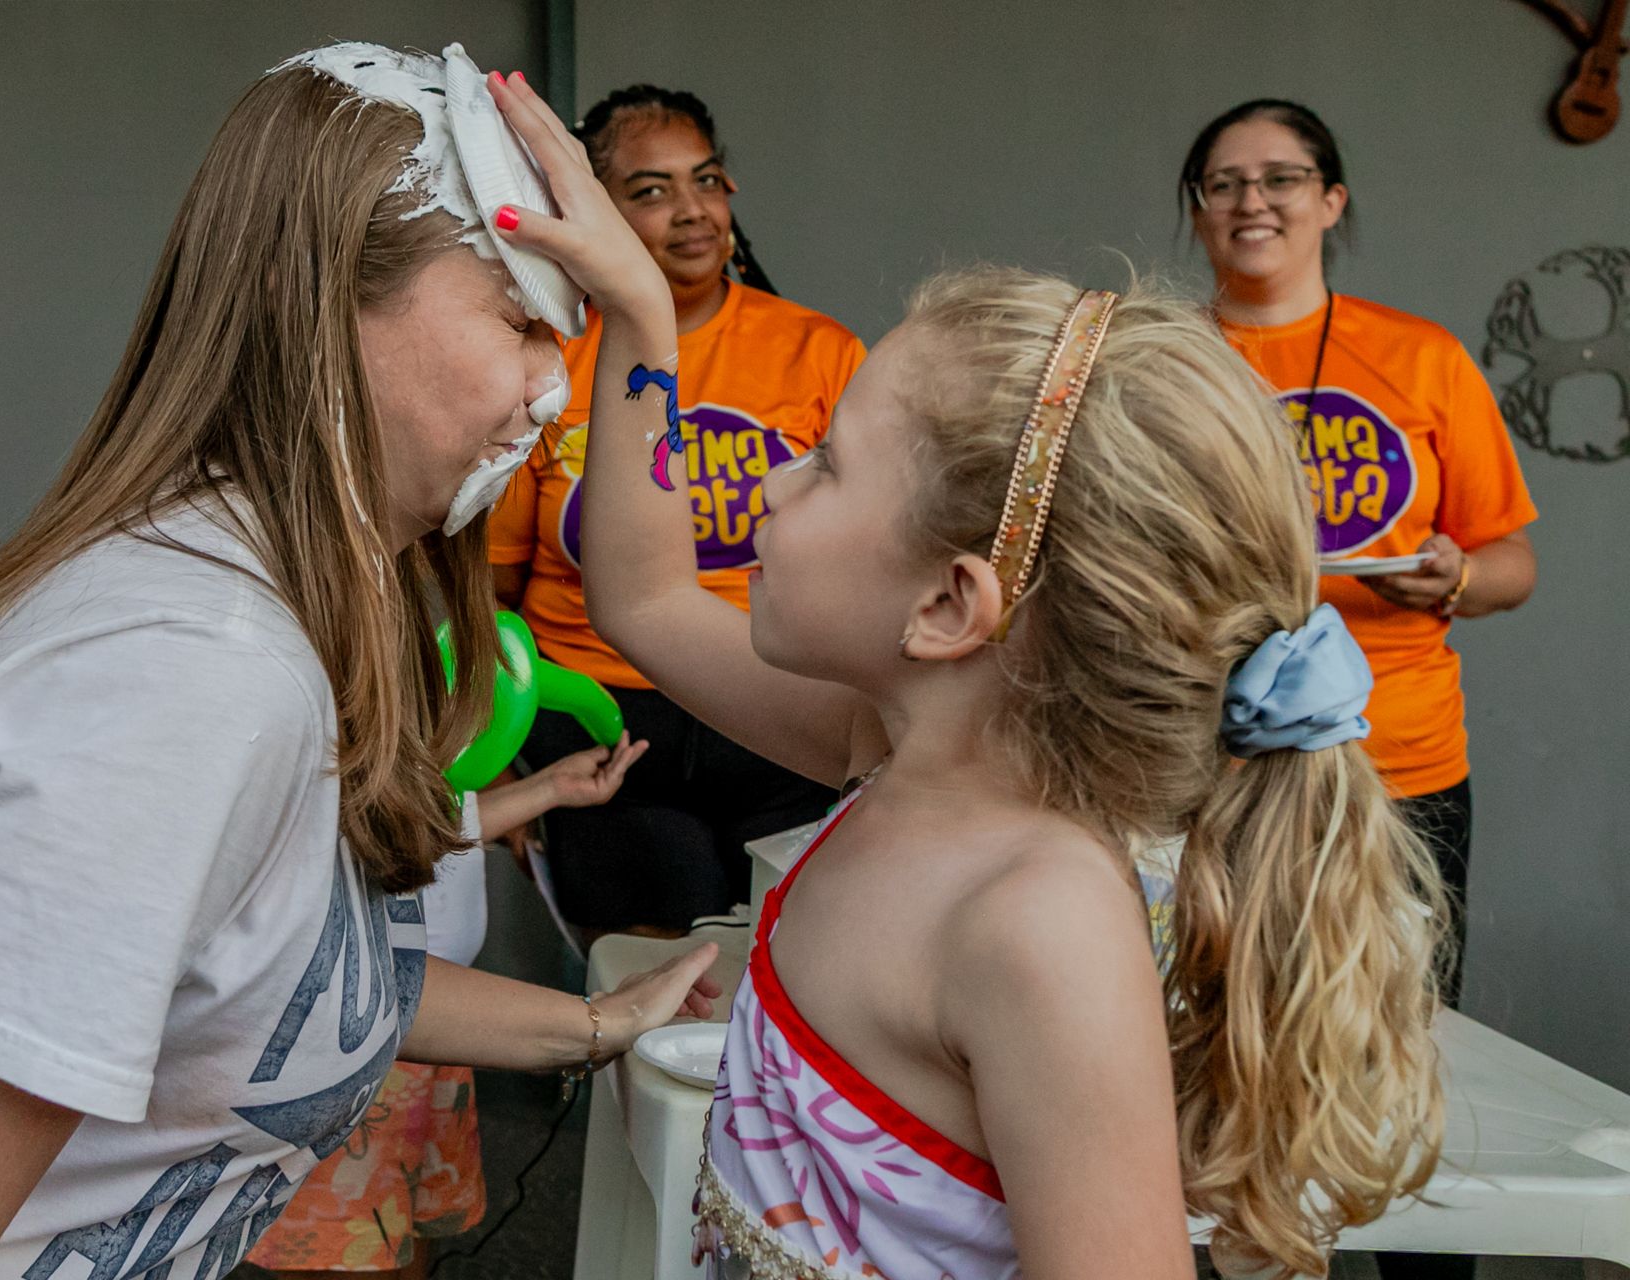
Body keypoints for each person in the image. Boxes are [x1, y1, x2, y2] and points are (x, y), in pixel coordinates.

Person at [0, 47, 718, 1280]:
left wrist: (598, 1020)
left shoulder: (295, 612)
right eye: (520, 322)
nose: (550, 394)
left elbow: (288, 970)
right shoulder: (193, 671)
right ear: (324, 307)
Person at [483, 74, 1449, 1279]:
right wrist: (638, 318)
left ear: (947, 604)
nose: (774, 485)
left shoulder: (1035, 917)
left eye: (826, 463)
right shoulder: (886, 754)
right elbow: (647, 596)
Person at [1180, 99, 1537, 1029]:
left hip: (1397, 760)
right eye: (1224, 183)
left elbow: (1513, 563)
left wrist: (1451, 577)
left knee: (1396, 1028)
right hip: (1198, 760)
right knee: (1211, 1022)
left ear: (1332, 201)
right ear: (1197, 208)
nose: (1251, 201)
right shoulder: (1160, 360)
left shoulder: (1423, 358)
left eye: (1280, 179)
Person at [488, 85, 865, 938]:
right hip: (604, 727)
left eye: (706, 180)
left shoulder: (819, 351)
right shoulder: (551, 363)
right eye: (650, 191)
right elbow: (490, 593)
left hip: (779, 706)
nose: (692, 212)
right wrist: (509, 757)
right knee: (658, 991)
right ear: (595, 211)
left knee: (793, 956)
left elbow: (868, 554)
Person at [244, 740, 646, 1279]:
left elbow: (416, 829)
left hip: (433, 1034)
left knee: (406, 1228)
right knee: (343, 1252)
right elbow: (365, 837)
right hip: (351, 1042)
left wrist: (547, 789)